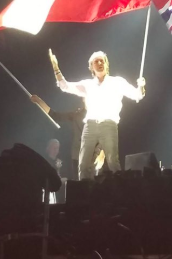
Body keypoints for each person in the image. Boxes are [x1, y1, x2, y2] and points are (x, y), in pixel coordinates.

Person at [49, 49, 145, 180]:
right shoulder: (87, 84)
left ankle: (120, 192)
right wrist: (56, 68)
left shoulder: (117, 82)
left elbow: (137, 95)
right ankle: (84, 195)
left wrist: (141, 86)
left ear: (106, 64)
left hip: (109, 124)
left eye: (102, 60)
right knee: (83, 163)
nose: (100, 63)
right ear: (91, 66)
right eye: (96, 61)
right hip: (90, 125)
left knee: (112, 161)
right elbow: (65, 86)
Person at [49, 104, 91, 180]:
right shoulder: (76, 115)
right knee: (79, 181)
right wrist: (39, 101)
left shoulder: (99, 117)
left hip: (91, 156)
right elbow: (55, 115)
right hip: (77, 155)